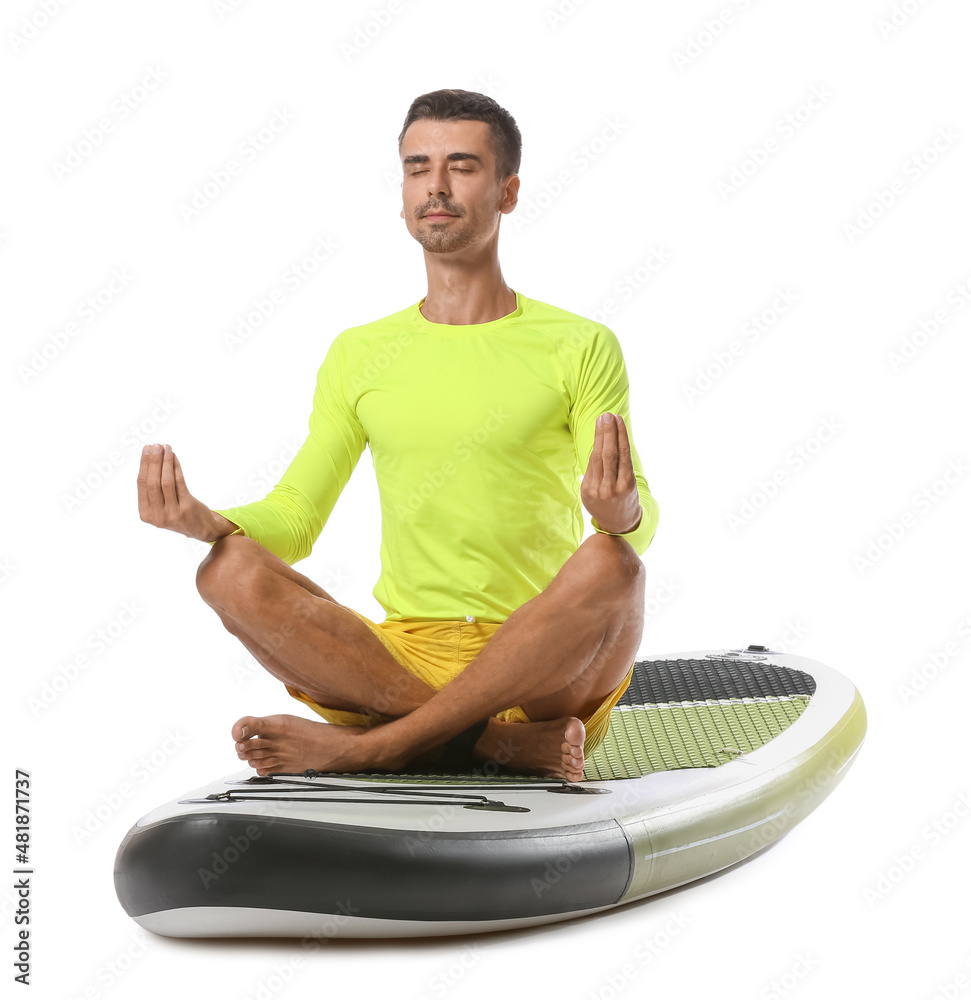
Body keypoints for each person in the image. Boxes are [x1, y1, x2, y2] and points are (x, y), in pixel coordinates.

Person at [136, 89, 659, 783]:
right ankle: (485, 746)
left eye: (462, 166)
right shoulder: (360, 352)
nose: (435, 186)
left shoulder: (579, 344)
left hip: (541, 670)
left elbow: (636, 519)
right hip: (398, 663)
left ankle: (375, 749)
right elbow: (295, 515)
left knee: (613, 564)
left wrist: (615, 512)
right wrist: (209, 521)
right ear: (403, 189)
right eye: (418, 167)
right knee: (226, 567)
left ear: (507, 191)